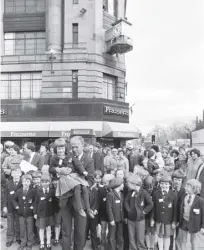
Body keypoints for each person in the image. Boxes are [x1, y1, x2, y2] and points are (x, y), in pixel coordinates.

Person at [59, 136, 95, 250]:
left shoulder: (89, 160)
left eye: (76, 147)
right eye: (72, 147)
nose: (74, 149)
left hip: (80, 201)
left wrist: (75, 180)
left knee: (80, 231)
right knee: (66, 230)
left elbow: (90, 180)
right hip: (66, 199)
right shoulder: (66, 158)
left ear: (83, 146)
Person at [49, 138, 94, 218]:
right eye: (59, 149)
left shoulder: (70, 156)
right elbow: (51, 169)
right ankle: (80, 208)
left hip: (74, 180)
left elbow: (78, 164)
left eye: (62, 148)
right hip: (64, 183)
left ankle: (87, 208)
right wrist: (58, 170)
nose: (61, 150)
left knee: (83, 187)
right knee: (66, 224)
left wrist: (83, 171)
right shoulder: (54, 158)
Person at [125, 175, 153, 250]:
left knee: (140, 239)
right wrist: (128, 210)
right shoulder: (130, 192)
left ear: (135, 184)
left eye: (129, 183)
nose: (127, 185)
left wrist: (143, 212)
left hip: (140, 220)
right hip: (130, 219)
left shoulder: (144, 193)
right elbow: (125, 202)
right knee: (131, 238)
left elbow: (151, 204)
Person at [176, 179, 204, 250]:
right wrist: (178, 220)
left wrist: (203, 227)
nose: (185, 187)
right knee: (183, 240)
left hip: (194, 223)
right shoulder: (184, 197)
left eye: (188, 187)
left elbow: (203, 214)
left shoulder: (200, 201)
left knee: (193, 241)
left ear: (194, 189)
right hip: (184, 221)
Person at [151, 175, 177, 250]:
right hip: (158, 219)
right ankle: (161, 248)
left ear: (169, 184)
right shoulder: (156, 193)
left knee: (167, 236)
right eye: (162, 183)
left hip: (168, 220)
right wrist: (152, 218)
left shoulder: (173, 195)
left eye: (166, 184)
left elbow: (175, 209)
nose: (164, 185)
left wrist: (174, 221)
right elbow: (153, 207)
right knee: (159, 235)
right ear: (159, 184)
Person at [13, 174, 35, 250]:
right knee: (22, 229)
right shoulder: (19, 191)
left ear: (30, 182)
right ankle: (23, 243)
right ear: (22, 182)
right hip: (21, 214)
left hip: (29, 214)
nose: (26, 183)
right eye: (24, 181)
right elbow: (14, 200)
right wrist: (17, 207)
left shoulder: (32, 191)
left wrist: (32, 206)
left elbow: (35, 201)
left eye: (27, 181)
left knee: (30, 229)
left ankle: (29, 244)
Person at [34, 173, 55, 250]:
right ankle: (42, 242)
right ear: (41, 183)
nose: (45, 183)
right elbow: (35, 202)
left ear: (49, 182)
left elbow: (55, 203)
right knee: (41, 228)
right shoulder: (38, 191)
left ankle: (48, 242)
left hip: (49, 214)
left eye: (46, 182)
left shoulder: (52, 191)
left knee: (48, 228)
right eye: (43, 182)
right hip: (41, 214)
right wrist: (35, 212)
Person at [4, 166, 22, 247]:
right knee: (10, 223)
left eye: (17, 172)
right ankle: (9, 238)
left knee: (18, 223)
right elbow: (5, 195)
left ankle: (18, 237)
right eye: (14, 173)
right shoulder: (8, 182)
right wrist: (4, 206)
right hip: (10, 206)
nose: (16, 174)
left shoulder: (23, 182)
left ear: (20, 174)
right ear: (11, 174)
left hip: (19, 206)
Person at [106, 178, 124, 250]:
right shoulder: (110, 194)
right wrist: (111, 219)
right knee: (111, 237)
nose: (123, 185)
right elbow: (108, 208)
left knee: (120, 237)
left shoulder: (121, 194)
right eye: (122, 184)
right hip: (113, 219)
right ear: (118, 185)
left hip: (120, 219)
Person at [86, 171, 102, 250]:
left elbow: (98, 201)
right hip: (90, 211)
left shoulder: (101, 187)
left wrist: (95, 209)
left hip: (97, 211)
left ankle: (96, 244)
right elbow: (88, 200)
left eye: (99, 178)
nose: (97, 180)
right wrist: (91, 210)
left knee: (95, 229)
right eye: (96, 178)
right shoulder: (90, 189)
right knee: (91, 229)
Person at [98, 174, 115, 248]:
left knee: (111, 232)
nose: (104, 185)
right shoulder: (101, 190)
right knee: (103, 231)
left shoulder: (113, 191)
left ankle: (109, 246)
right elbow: (99, 202)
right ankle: (102, 246)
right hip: (103, 214)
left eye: (106, 183)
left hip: (111, 215)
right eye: (103, 183)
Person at [143, 176, 156, 250]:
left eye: (151, 187)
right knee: (147, 231)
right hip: (145, 214)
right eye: (147, 187)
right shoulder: (143, 191)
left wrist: (152, 218)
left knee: (153, 230)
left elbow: (155, 206)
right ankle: (148, 246)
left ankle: (152, 246)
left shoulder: (155, 192)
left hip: (153, 214)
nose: (149, 189)